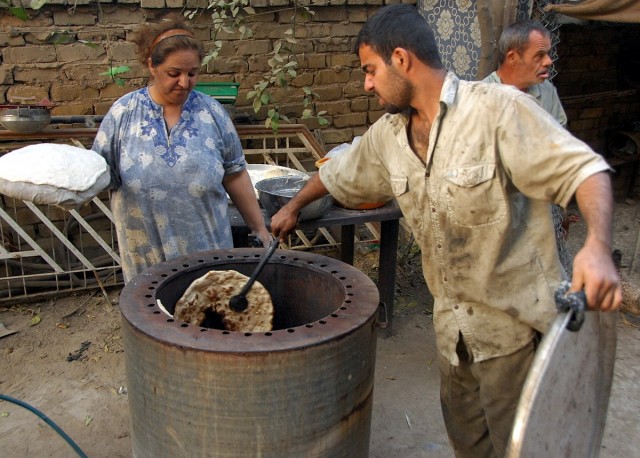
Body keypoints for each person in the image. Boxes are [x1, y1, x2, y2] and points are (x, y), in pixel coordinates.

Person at [269, 4, 622, 458]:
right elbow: (340, 173)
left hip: (514, 338)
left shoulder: (498, 111)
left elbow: (585, 171)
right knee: (470, 448)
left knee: (527, 449)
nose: (367, 84)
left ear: (401, 58)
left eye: (370, 70)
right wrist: (295, 206)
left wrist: (596, 245)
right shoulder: (388, 137)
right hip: (453, 338)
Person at [92, 14, 271, 283]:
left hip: (208, 254)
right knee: (152, 317)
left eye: (192, 73)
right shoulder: (124, 113)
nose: (185, 83)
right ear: (152, 66)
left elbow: (234, 173)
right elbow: (97, 174)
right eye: (174, 73)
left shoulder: (211, 112)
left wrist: (260, 229)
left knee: (209, 314)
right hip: (146, 257)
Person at [483, 19, 574, 277]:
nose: (548, 61)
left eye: (548, 54)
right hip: (498, 209)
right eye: (540, 55)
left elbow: (560, 141)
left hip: (540, 204)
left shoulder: (546, 92)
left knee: (549, 274)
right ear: (513, 57)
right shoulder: (481, 97)